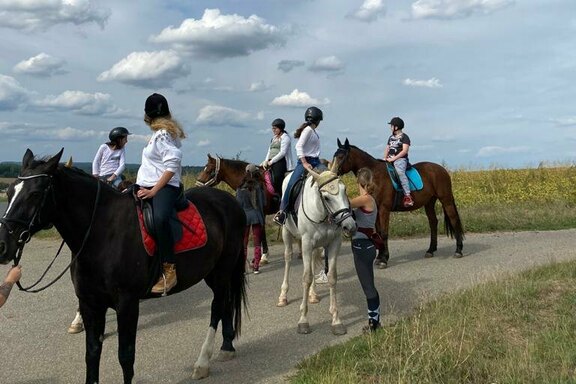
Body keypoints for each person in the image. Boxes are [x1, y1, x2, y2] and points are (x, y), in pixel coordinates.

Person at [136, 93, 186, 294]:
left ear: (147, 115)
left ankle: (169, 269)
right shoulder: (160, 133)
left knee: (160, 219)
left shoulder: (163, 134)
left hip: (165, 187)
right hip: (147, 184)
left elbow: (172, 164)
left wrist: (154, 190)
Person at [273, 106, 323, 225]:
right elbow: (298, 146)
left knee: (331, 179)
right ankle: (283, 212)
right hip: (306, 162)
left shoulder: (312, 130)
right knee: (291, 184)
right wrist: (305, 162)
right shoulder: (308, 130)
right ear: (318, 120)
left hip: (316, 161)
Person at [349, 168, 381, 332]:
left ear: (359, 183)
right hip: (366, 246)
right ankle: (375, 321)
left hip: (362, 247)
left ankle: (374, 325)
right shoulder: (369, 199)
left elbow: (344, 204)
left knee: (368, 287)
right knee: (369, 285)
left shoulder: (365, 199)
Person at [237, 164, 266, 274]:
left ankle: (243, 268)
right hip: (257, 216)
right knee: (257, 242)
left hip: (245, 216)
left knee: (244, 243)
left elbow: (238, 204)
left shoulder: (240, 188)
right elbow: (263, 203)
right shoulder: (259, 186)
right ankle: (256, 266)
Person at [383, 116, 413, 208]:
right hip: (389, 159)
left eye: (391, 126)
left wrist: (393, 159)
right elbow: (387, 148)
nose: (390, 127)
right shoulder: (391, 137)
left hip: (400, 160)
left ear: (396, 127)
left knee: (400, 172)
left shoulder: (405, 137)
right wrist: (384, 157)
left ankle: (408, 196)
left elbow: (404, 151)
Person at [261, 118, 294, 196]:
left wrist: (271, 161)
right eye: (273, 128)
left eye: (275, 128)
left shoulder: (285, 138)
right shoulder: (273, 138)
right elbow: (269, 150)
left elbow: (282, 153)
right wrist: (265, 161)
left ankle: (280, 194)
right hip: (270, 161)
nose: (273, 130)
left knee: (277, 177)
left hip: (280, 162)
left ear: (280, 128)